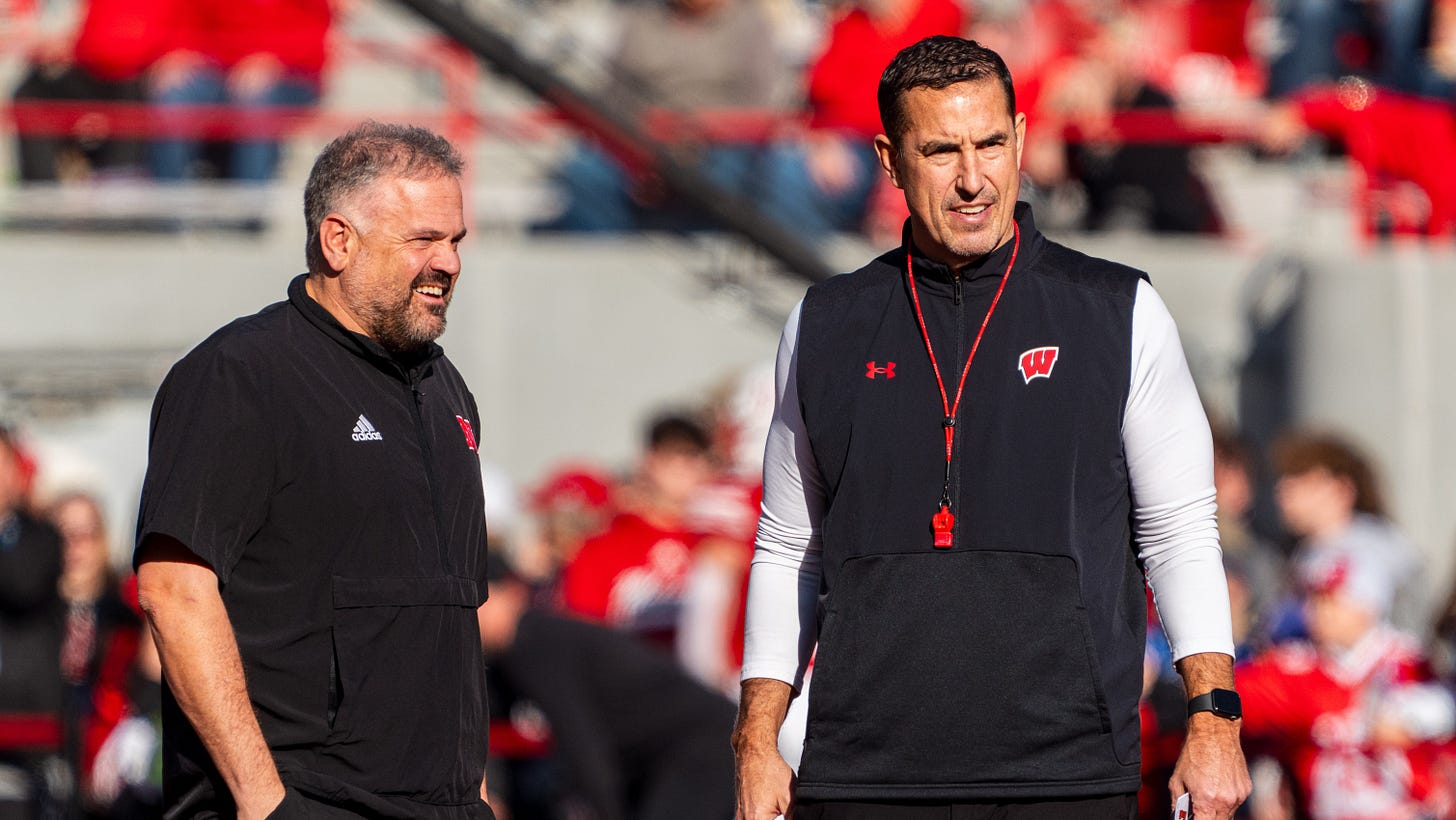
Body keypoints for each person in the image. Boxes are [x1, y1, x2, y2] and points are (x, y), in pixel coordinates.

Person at [731, 36, 1251, 820]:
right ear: (889, 157)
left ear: (1022, 139)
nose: (973, 179)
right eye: (941, 151)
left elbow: (1179, 531)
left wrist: (1214, 721)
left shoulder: (1119, 310)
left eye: (991, 144)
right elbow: (785, 547)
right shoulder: (824, 323)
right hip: (862, 776)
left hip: (1068, 773)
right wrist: (756, 743)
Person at [132, 121, 494, 819]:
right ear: (338, 241)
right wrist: (265, 802)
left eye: (455, 241)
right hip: (301, 802)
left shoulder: (446, 389)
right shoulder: (241, 374)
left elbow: (455, 611)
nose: (448, 262)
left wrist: (474, 793)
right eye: (423, 239)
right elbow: (174, 592)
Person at [480, 559, 736, 820]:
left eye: (481, 602)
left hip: (702, 745)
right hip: (676, 754)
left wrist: (607, 811)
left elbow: (581, 743)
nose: (472, 618)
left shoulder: (536, 643)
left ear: (510, 593)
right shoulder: (509, 659)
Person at [1238, 550, 1456, 818]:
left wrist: (1409, 719)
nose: (1319, 612)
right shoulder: (1295, 664)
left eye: (1333, 600)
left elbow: (1437, 708)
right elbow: (1242, 700)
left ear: (1368, 604)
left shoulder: (1408, 660)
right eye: (1314, 600)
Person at [558, 414, 712, 649]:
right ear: (649, 460)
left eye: (693, 456)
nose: (682, 467)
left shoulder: (718, 546)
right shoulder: (603, 547)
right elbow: (583, 636)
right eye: (672, 455)